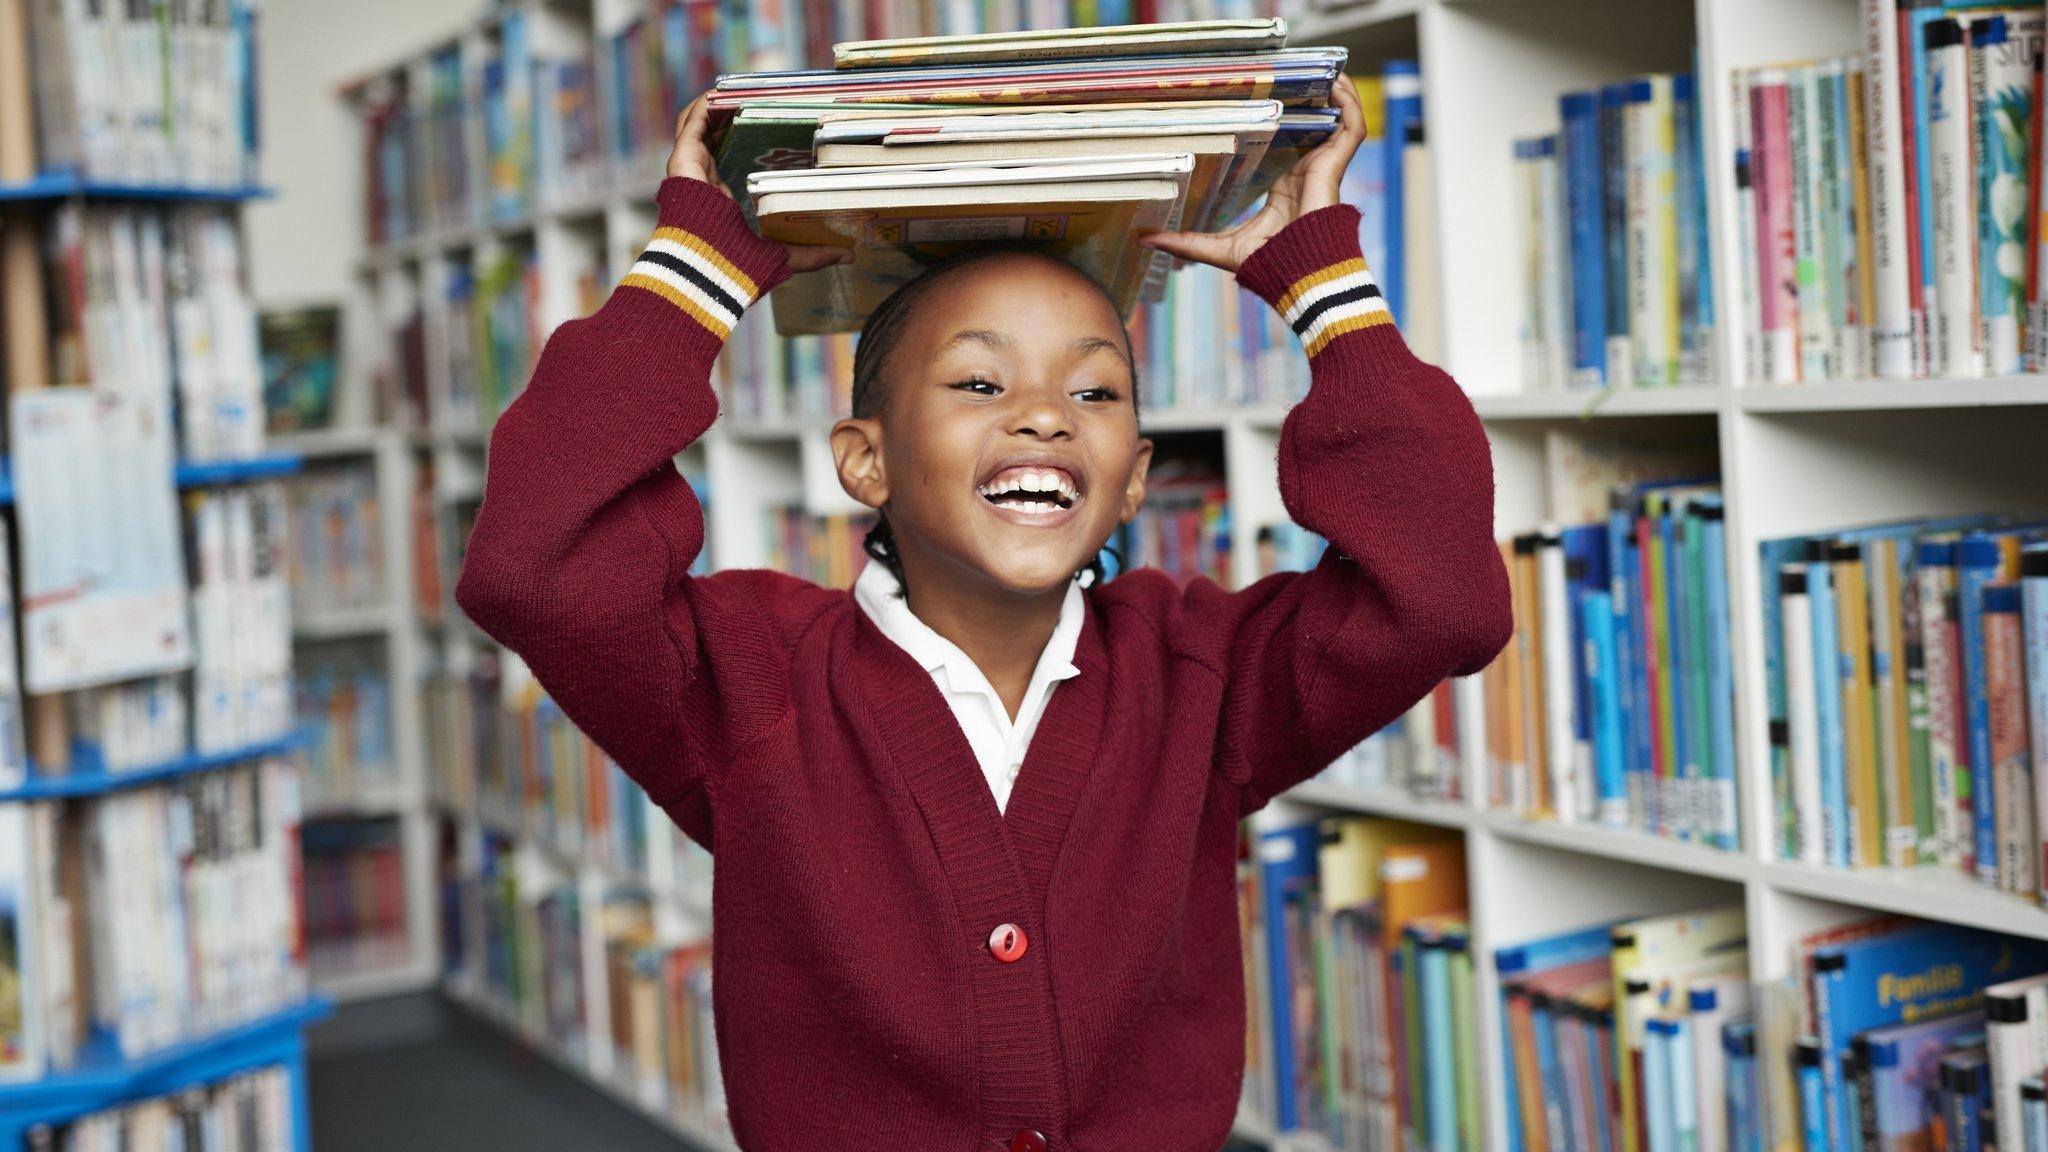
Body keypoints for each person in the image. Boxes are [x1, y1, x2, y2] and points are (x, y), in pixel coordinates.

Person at [455, 79, 1510, 1152]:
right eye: (977, 383)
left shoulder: (1202, 676)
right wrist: (695, 273)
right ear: (865, 462)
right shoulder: (746, 684)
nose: (1046, 416)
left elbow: (1438, 598)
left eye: (1095, 394)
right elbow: (536, 565)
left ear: (1134, 478)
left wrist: (1322, 286)